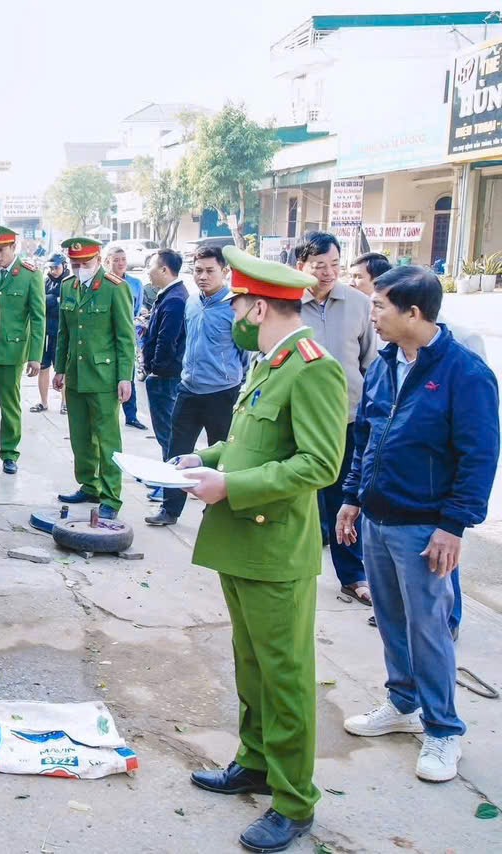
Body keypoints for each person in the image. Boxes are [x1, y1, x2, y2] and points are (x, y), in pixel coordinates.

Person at [179, 247, 347, 854]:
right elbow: (252, 442)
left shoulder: (312, 367)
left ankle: (295, 801)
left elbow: (320, 463)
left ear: (255, 304)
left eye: (238, 305)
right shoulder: (270, 361)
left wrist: (234, 485)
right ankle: (253, 762)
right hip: (242, 541)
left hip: (276, 547)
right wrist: (204, 461)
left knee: (286, 677)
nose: (234, 314)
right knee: (250, 664)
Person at [336, 266, 500, 784]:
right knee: (389, 618)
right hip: (378, 517)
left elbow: (479, 456)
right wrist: (351, 498)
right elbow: (367, 433)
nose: (373, 315)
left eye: (381, 306)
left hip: (425, 526)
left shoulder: (464, 373)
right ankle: (403, 704)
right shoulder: (385, 363)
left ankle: (444, 729)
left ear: (414, 313)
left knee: (429, 627)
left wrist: (454, 526)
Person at [297, 231, 376, 604]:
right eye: (318, 266)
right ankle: (299, 567)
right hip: (302, 420)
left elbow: (371, 363)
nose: (327, 273)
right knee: (302, 496)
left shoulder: (360, 304)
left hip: (348, 418)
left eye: (333, 265)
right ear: (302, 267)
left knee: (346, 497)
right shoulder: (290, 305)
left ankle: (352, 573)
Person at [152, 246, 245, 525]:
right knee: (176, 451)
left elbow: (245, 353)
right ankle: (170, 509)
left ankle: (213, 514)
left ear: (224, 272)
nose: (203, 276)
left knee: (221, 456)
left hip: (222, 393)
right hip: (188, 389)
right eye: (198, 270)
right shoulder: (192, 302)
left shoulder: (235, 306)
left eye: (209, 271)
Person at [53, 237, 136, 520]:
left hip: (103, 376)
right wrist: (59, 368)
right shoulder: (68, 286)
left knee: (108, 439)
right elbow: (64, 332)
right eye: (74, 264)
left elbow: (126, 337)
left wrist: (125, 376)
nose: (79, 269)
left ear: (98, 259)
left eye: (85, 264)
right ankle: (89, 484)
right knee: (80, 436)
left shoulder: (115, 288)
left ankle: (111, 496)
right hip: (75, 375)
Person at [0, 226, 45, 474]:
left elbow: (38, 318)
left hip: (11, 351)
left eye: (1, 250)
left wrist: (35, 356)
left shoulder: (30, 275)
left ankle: (9, 453)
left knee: (10, 406)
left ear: (13, 248)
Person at [139, 249, 187, 509]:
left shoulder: (175, 299)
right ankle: (164, 479)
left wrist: (155, 369)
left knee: (168, 434)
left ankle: (169, 486)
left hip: (166, 377)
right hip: (165, 374)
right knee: (164, 433)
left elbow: (167, 341)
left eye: (152, 267)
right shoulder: (168, 296)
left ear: (165, 270)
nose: (149, 271)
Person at [106, 246, 148, 430]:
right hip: (107, 337)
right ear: (108, 262)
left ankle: (131, 415)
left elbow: (136, 310)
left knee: (128, 374)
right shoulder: (104, 283)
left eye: (123, 259)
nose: (121, 263)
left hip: (128, 335)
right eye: (116, 259)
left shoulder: (135, 283)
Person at [33, 253, 67, 413]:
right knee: (43, 367)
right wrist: (53, 299)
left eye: (56, 267)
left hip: (61, 333)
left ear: (64, 266)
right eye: (51, 267)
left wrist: (51, 300)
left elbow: (65, 305)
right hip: (45, 332)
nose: (53, 270)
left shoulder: (68, 283)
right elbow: (40, 303)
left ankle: (65, 404)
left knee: (62, 370)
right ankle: (43, 402)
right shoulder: (45, 282)